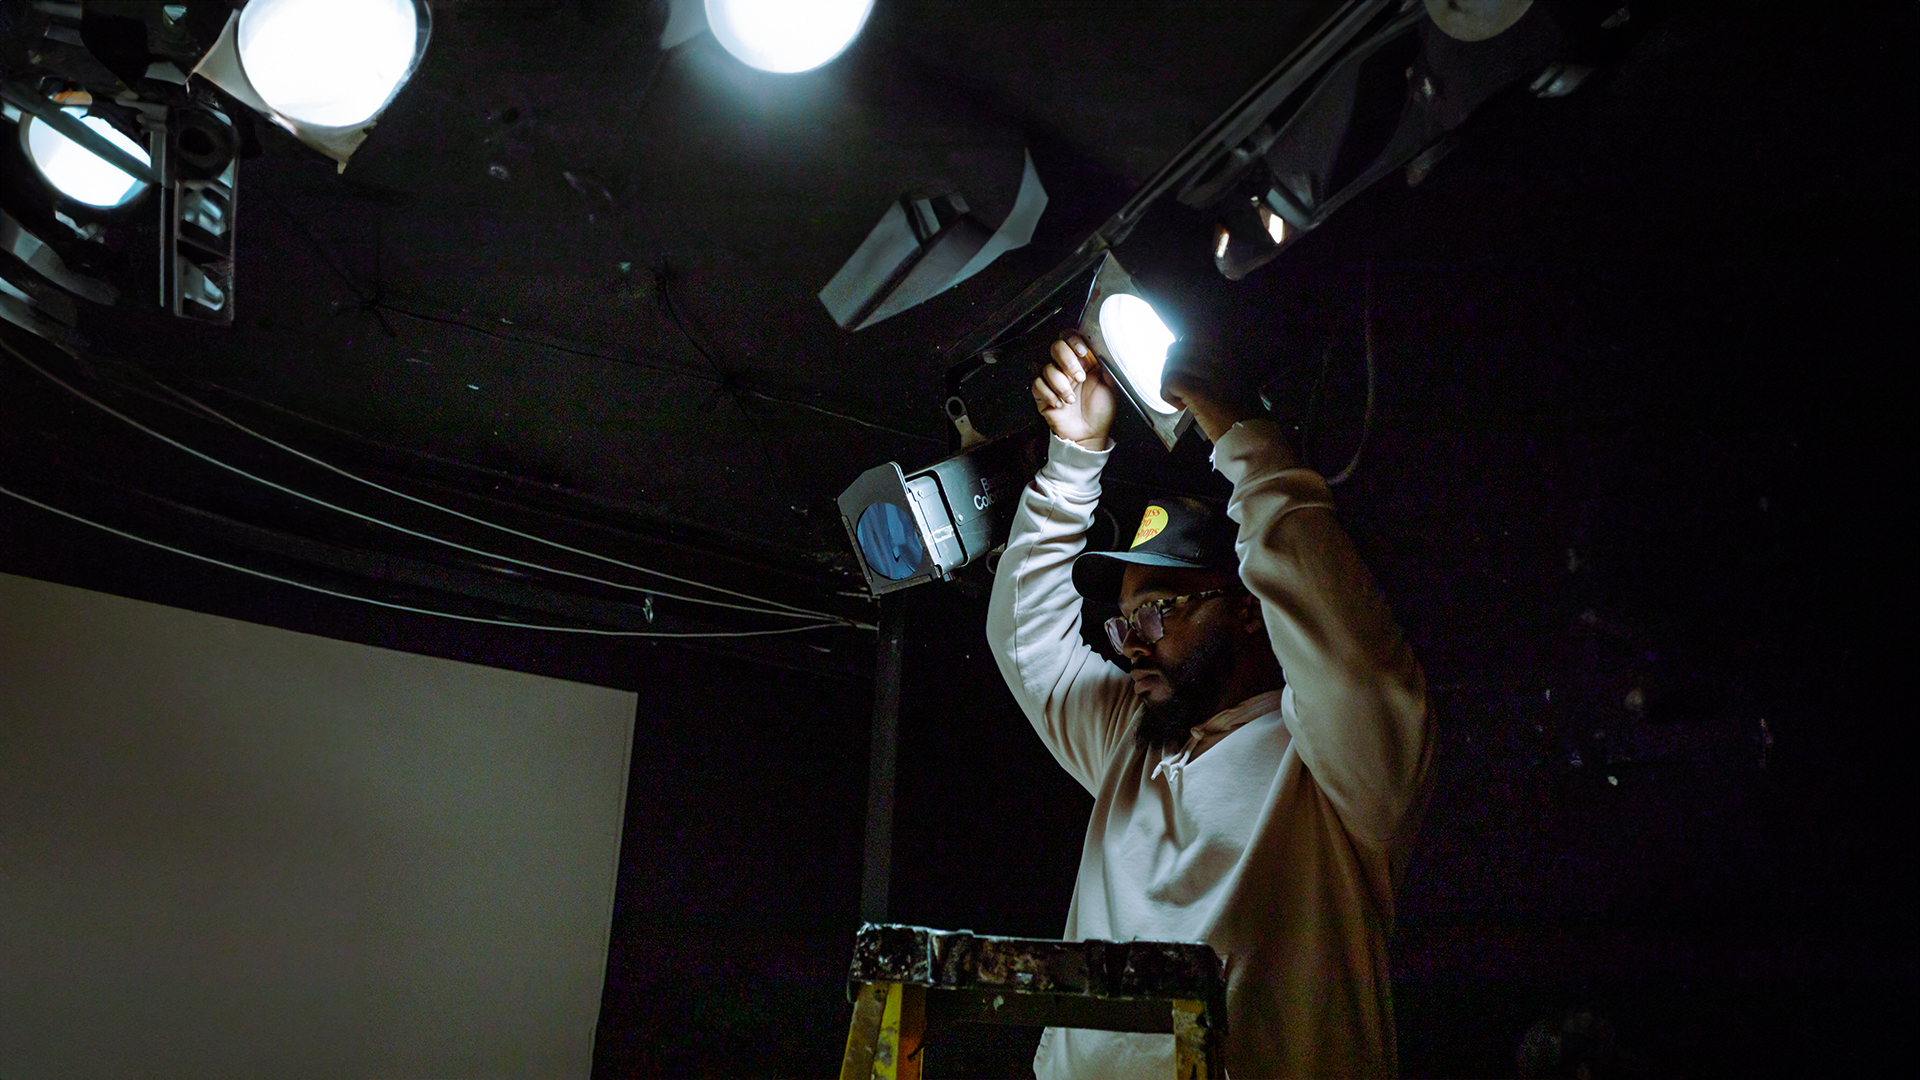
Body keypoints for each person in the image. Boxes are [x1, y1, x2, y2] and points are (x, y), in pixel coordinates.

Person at [985, 329, 1435, 1078]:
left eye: (1160, 610)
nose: (1132, 642)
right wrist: (1072, 463)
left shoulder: (1335, 770)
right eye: (1126, 621)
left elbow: (1353, 658)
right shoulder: (1131, 742)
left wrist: (1240, 433)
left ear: (1249, 609)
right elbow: (1024, 639)